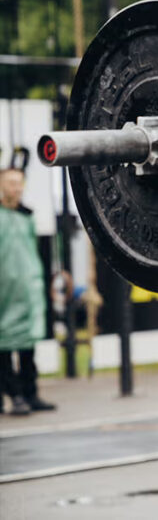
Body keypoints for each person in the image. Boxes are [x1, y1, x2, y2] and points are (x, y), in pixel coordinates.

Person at [0, 168, 56, 416]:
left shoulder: (27, 216)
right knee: (3, 347)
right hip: (4, 292)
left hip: (26, 289)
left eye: (19, 183)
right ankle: (14, 395)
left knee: (26, 345)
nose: (17, 188)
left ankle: (30, 393)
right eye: (11, 183)